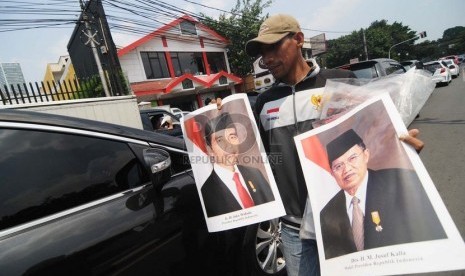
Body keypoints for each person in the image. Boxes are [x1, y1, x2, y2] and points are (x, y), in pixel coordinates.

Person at [243, 14, 425, 276]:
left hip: (347, 221)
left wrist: (402, 147)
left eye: (273, 46)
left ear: (298, 39)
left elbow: (371, 137)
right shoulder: (264, 102)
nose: (267, 58)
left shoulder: (340, 82)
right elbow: (266, 159)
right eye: (262, 52)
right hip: (294, 230)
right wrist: (221, 117)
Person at [320, 129, 447, 259]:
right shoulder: (327, 214)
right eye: (338, 166)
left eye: (352, 158)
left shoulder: (399, 183)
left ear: (366, 155)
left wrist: (410, 157)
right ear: (332, 174)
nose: (347, 169)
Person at [202, 112, 275, 217]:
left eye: (232, 137)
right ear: (210, 150)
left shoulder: (255, 174)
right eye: (219, 140)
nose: (229, 146)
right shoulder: (206, 192)